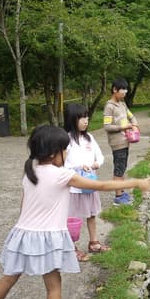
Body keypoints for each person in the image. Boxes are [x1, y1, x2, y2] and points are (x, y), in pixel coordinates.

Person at [0, 125, 150, 299]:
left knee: (9, 276)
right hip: (47, 238)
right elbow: (100, 186)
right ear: (54, 153)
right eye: (65, 150)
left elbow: (24, 204)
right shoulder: (62, 175)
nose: (66, 154)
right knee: (54, 287)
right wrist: (136, 182)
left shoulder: (30, 172)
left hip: (23, 233)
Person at [64, 103, 109, 261]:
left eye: (87, 117)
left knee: (91, 214)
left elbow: (101, 157)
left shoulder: (90, 138)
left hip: (90, 184)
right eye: (81, 117)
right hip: (74, 187)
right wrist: (77, 166)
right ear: (72, 119)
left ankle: (93, 242)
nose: (86, 120)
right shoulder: (66, 140)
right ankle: (71, 248)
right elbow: (62, 164)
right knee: (72, 218)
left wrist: (97, 164)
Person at [103, 78, 139, 205]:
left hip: (126, 142)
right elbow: (107, 127)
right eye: (123, 90)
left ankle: (122, 192)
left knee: (122, 168)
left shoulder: (122, 105)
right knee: (118, 169)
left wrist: (134, 123)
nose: (125, 92)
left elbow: (131, 116)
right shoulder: (109, 107)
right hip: (117, 144)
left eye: (126, 90)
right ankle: (118, 198)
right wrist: (123, 127)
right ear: (114, 90)